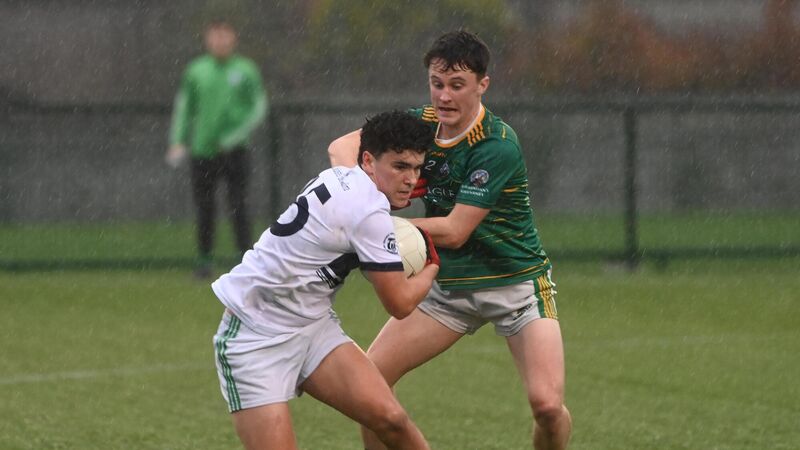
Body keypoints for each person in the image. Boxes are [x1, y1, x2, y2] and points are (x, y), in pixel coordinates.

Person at [328, 31, 572, 450]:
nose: (444, 96)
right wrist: (366, 199)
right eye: (437, 84)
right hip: (448, 290)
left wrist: (384, 227)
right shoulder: (421, 123)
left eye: (457, 85)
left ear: (483, 85)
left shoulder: (497, 145)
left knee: (547, 406)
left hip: (516, 287)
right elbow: (343, 147)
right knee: (369, 390)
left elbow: (458, 229)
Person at [211, 111, 440, 450]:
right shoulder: (368, 212)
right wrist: (434, 263)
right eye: (400, 167)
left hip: (314, 327)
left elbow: (339, 148)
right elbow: (401, 304)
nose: (410, 179)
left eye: (417, 168)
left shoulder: (341, 174)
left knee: (391, 420)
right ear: (368, 160)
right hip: (255, 334)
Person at [167, 19, 268, 278]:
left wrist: (234, 137)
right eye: (215, 36)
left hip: (235, 153)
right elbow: (184, 107)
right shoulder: (196, 71)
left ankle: (245, 263)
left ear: (233, 39)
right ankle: (204, 261)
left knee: (238, 205)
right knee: (205, 207)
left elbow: (257, 107)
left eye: (225, 36)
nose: (220, 42)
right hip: (203, 152)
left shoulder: (245, 70)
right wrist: (178, 140)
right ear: (207, 39)